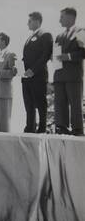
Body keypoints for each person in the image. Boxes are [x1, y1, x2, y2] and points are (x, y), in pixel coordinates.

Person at [54, 7, 85, 136]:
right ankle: (62, 128)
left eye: (62, 17)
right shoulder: (59, 36)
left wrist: (69, 56)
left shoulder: (80, 32)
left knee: (75, 103)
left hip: (73, 75)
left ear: (71, 17)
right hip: (60, 76)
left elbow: (83, 52)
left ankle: (77, 130)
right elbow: (56, 57)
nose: (59, 19)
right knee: (60, 103)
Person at [22, 12, 53, 133]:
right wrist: (20, 67)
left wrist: (33, 70)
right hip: (27, 77)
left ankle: (42, 128)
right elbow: (27, 57)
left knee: (40, 103)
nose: (27, 23)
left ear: (37, 21)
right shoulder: (29, 38)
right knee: (29, 104)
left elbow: (45, 55)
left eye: (29, 21)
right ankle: (30, 127)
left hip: (38, 76)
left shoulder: (45, 35)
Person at [0, 32, 17, 132]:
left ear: (3, 42)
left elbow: (12, 73)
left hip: (5, 93)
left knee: (4, 124)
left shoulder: (11, 55)